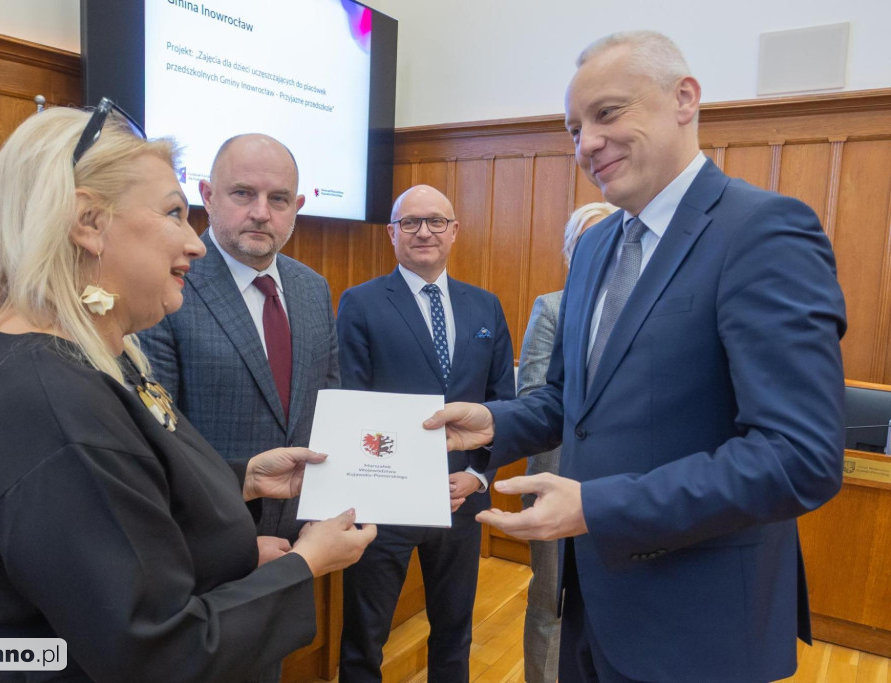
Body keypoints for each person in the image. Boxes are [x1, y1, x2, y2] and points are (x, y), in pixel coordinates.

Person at [426, 31, 846, 683]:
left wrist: (597, 508)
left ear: (685, 98)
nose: (586, 143)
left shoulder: (763, 231)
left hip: (698, 627)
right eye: (574, 129)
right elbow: (571, 400)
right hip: (591, 609)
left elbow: (800, 457)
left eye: (608, 113)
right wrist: (493, 422)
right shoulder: (595, 248)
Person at [0, 102, 376, 682]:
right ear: (88, 222)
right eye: (173, 213)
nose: (195, 243)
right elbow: (153, 651)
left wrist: (243, 479)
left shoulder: (86, 357)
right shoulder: (47, 403)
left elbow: (125, 509)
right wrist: (305, 566)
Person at [336, 184, 515, 682]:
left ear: (454, 231)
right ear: (392, 234)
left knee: (455, 634)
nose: (424, 232)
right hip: (383, 503)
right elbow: (352, 404)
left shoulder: (486, 307)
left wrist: (479, 476)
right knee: (364, 640)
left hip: (461, 498)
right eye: (410, 222)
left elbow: (503, 404)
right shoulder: (360, 303)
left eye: (436, 221)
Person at [139, 133, 338, 554]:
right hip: (206, 541)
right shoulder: (167, 286)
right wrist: (236, 550)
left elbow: (329, 405)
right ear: (208, 196)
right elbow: (154, 439)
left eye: (279, 199)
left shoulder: (313, 288)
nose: (261, 213)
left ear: (297, 207)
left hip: (305, 538)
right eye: (243, 193)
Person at [518, 201, 615, 683]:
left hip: (622, 486)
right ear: (570, 252)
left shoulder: (648, 311)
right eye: (586, 241)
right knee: (552, 602)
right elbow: (535, 395)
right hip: (557, 477)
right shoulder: (552, 307)